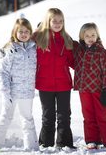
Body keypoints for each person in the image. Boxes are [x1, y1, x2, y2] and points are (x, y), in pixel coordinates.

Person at [0, 18, 38, 152]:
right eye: (21, 31)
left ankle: (32, 147)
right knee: (6, 116)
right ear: (15, 32)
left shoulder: (34, 48)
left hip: (26, 91)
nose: (24, 34)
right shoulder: (11, 50)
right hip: (11, 92)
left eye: (27, 31)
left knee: (28, 119)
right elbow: (2, 72)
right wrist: (5, 90)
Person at [32, 8, 75, 150]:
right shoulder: (38, 38)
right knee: (47, 115)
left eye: (60, 21)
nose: (58, 24)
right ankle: (45, 143)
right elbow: (22, 42)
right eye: (54, 21)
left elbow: (73, 61)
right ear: (47, 21)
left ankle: (64, 144)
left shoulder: (66, 39)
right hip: (45, 84)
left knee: (64, 116)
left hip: (63, 84)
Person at [73, 22, 106, 149]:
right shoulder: (78, 51)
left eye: (93, 35)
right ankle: (92, 140)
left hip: (98, 90)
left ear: (97, 35)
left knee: (103, 114)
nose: (90, 38)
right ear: (82, 37)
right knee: (88, 115)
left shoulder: (103, 53)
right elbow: (66, 40)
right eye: (87, 35)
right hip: (84, 90)